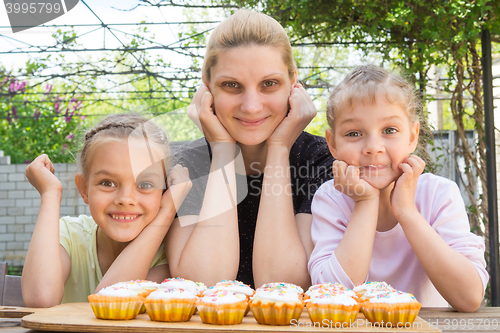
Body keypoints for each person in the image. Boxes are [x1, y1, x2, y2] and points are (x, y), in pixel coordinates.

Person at [165, 9, 334, 289]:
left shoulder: (321, 161)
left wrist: (279, 149)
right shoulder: (184, 165)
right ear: (207, 88)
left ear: (293, 83)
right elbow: (201, 285)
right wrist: (222, 151)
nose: (252, 106)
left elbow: (283, 286)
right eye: (231, 85)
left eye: (269, 84)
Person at [308, 64, 488, 312]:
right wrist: (365, 202)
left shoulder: (439, 194)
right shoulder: (330, 199)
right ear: (332, 144)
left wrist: (407, 212)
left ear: (412, 137)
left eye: (389, 130)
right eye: (353, 133)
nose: (373, 147)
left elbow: (469, 298)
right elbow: (334, 296)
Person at [22, 114, 192, 307]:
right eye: (107, 183)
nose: (125, 199)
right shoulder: (68, 235)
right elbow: (39, 298)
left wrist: (167, 211)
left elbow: (109, 303)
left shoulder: (167, 257)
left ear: (165, 191)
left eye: (145, 184)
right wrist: (50, 193)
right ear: (84, 188)